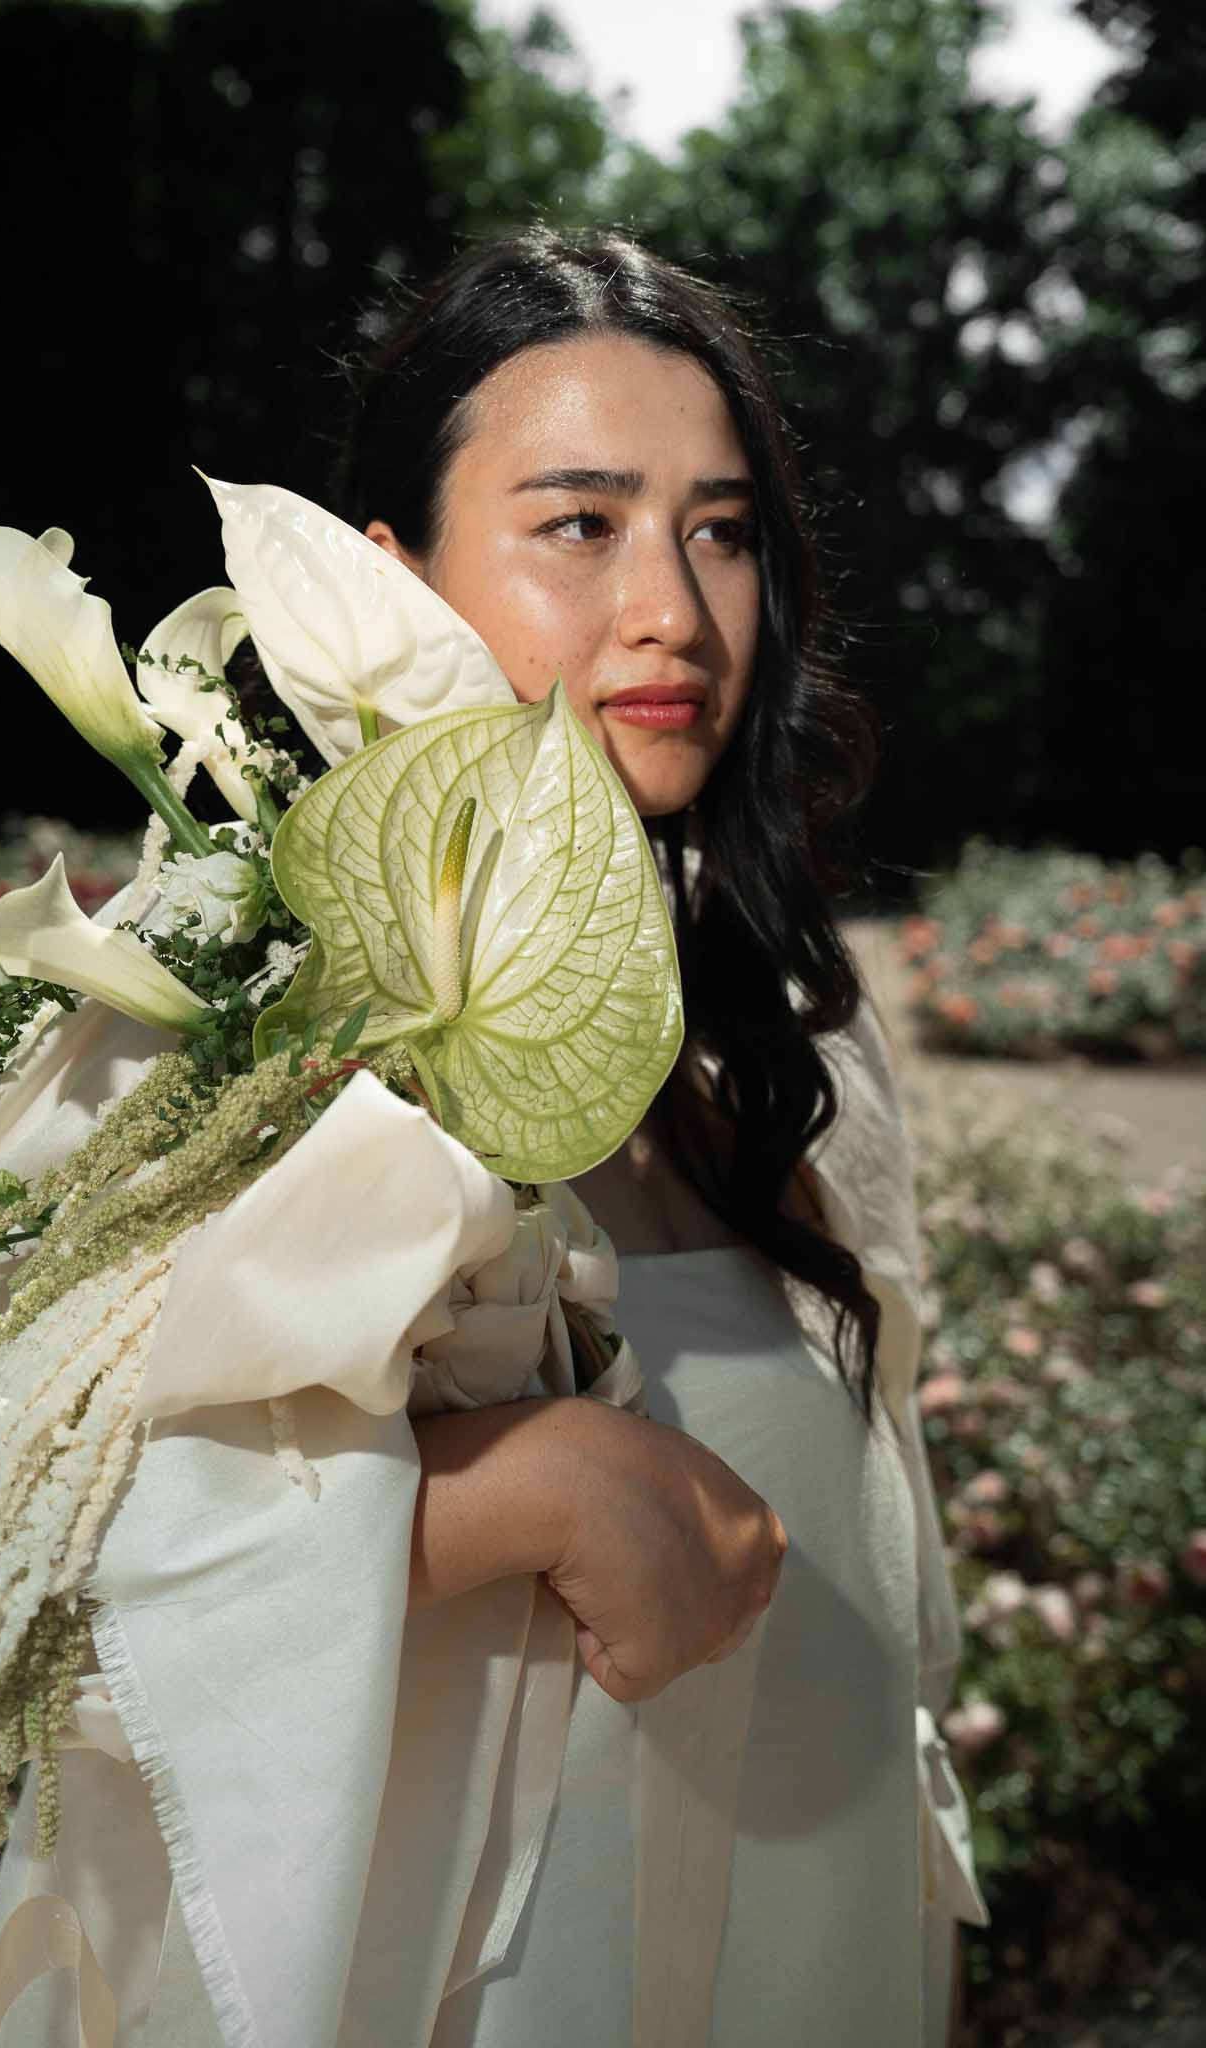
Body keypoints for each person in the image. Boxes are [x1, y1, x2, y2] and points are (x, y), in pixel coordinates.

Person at [338, 226, 984, 2044]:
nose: (674, 612)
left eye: (718, 529)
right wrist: (497, 1489)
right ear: (384, 580)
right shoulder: (249, 1012)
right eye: (578, 522)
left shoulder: (790, 1034)